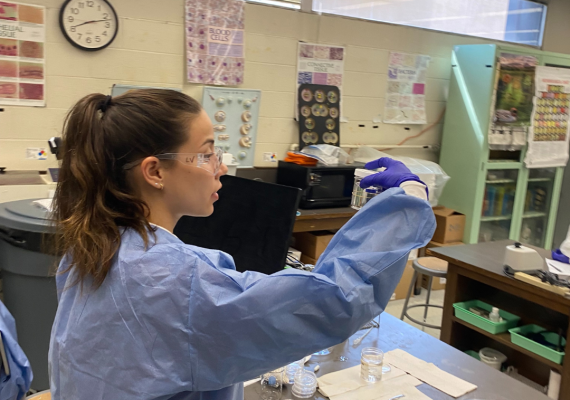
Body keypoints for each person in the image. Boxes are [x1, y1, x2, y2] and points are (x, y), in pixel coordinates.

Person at [48, 89, 435, 400]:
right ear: (154, 171)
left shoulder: (90, 247)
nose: (221, 165)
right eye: (205, 153)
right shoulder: (176, 281)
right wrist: (407, 201)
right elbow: (335, 303)